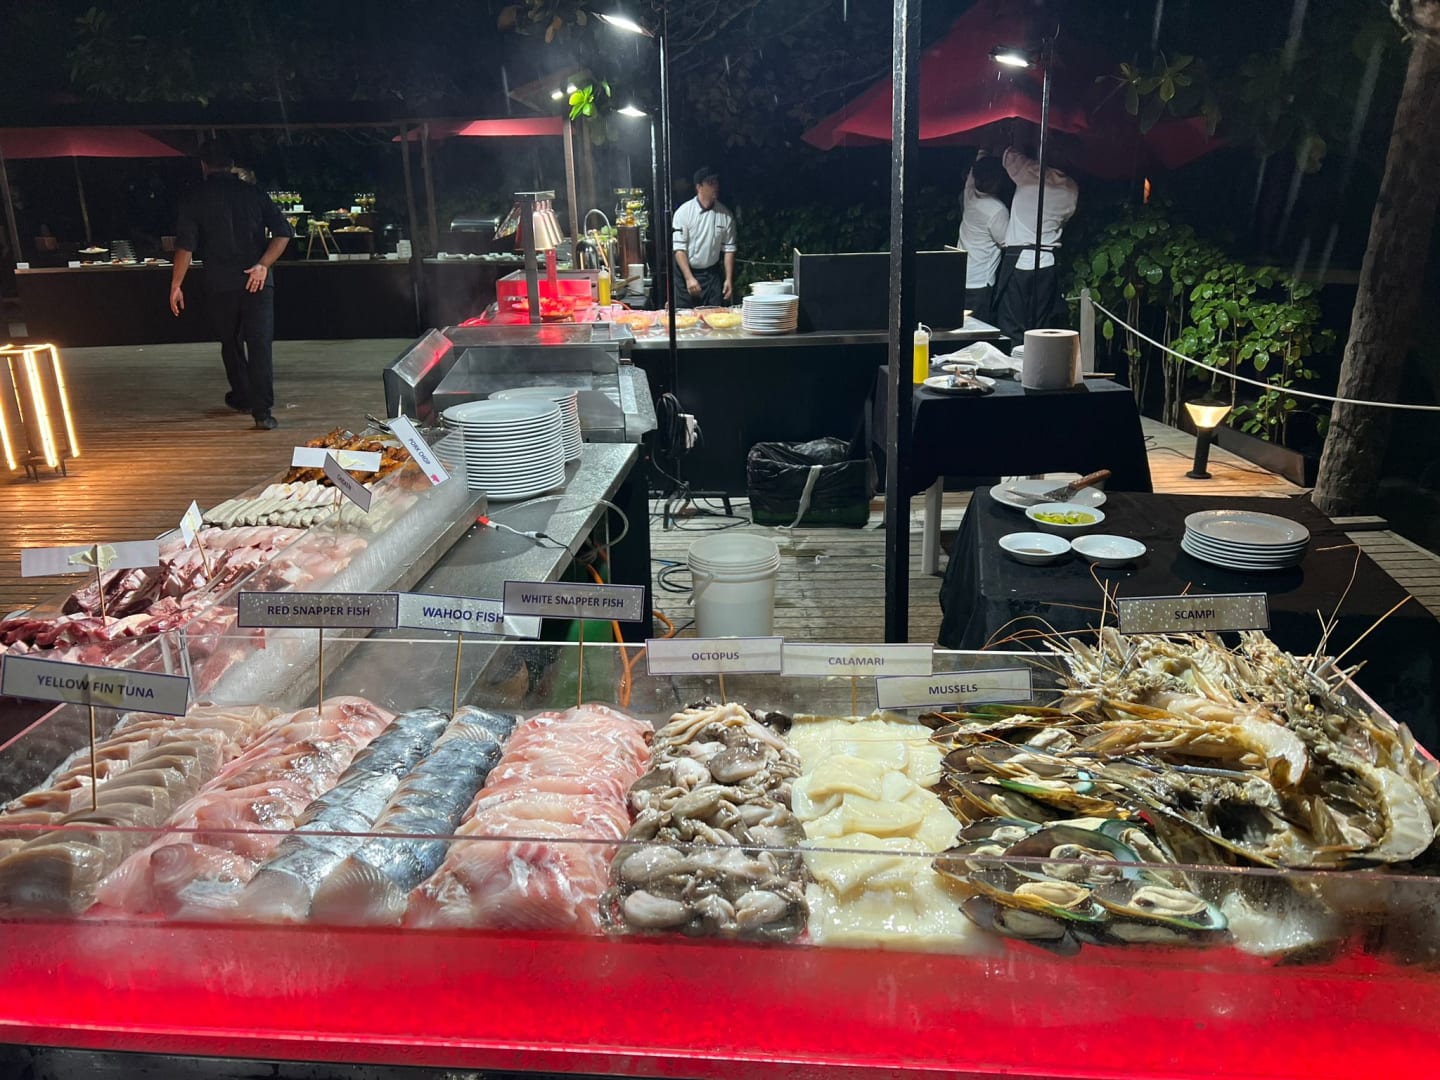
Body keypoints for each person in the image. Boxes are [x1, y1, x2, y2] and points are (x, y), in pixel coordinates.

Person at [169, 140, 294, 430]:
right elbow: (283, 232)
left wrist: (176, 285)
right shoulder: (254, 193)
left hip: (220, 282)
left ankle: (243, 396)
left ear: (203, 165)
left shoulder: (195, 198)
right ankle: (263, 413)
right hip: (257, 281)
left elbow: (185, 246)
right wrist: (263, 265)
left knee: (230, 341)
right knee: (260, 344)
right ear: (232, 164)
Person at [994, 138, 1079, 344]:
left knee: (1011, 324)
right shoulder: (1071, 187)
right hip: (1047, 261)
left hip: (1019, 259)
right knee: (1040, 327)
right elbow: (1066, 218)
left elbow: (1006, 153)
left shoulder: (1030, 171)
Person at [671, 165, 736, 309]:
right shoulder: (683, 212)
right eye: (710, 183)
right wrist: (689, 278)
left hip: (711, 273)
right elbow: (679, 249)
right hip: (686, 272)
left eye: (716, 182)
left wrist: (728, 279)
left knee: (714, 315)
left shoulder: (725, 215)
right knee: (684, 316)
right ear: (699, 187)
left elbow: (729, 250)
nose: (715, 186)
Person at [958, 152, 1010, 325]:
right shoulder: (997, 210)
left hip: (962, 275)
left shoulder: (969, 195)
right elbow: (1006, 242)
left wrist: (983, 149)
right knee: (978, 331)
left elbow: (972, 175)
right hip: (981, 281)